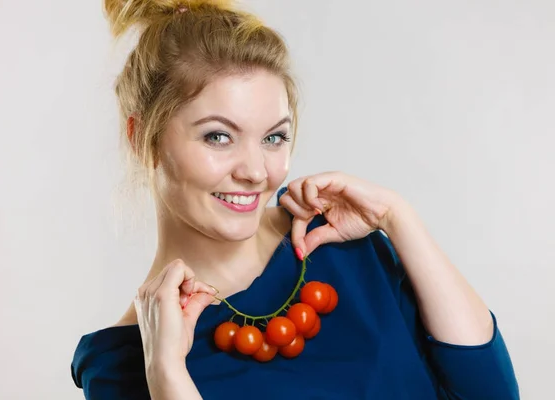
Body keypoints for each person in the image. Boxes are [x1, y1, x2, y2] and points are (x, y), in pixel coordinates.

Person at [71, 0, 520, 399]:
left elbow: (492, 393)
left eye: (273, 137)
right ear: (141, 139)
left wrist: (396, 218)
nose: (255, 171)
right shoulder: (126, 361)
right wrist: (168, 376)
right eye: (219, 136)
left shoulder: (340, 243)